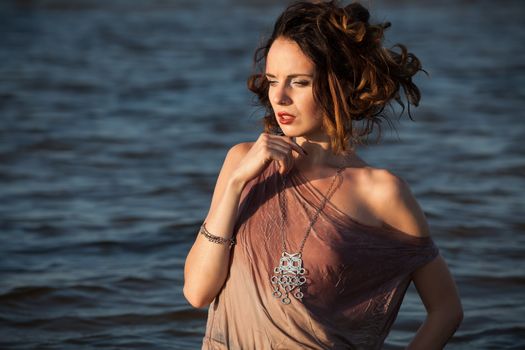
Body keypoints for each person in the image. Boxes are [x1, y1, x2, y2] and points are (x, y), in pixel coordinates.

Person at [184, 1, 463, 349]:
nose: (280, 97)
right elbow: (197, 292)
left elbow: (446, 309)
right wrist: (237, 183)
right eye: (273, 81)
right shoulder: (242, 162)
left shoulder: (381, 193)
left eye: (298, 82)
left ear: (341, 84)